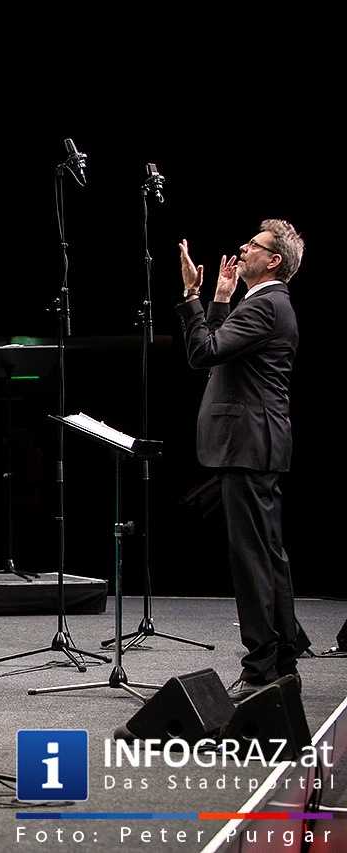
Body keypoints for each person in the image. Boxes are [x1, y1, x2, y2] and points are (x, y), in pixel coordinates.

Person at [177, 220, 303, 701]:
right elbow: (222, 351)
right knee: (267, 554)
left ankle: (261, 668)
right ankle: (281, 657)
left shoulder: (267, 305)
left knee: (252, 558)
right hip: (258, 443)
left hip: (249, 445)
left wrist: (192, 295)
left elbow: (203, 352)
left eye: (255, 245)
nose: (243, 248)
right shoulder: (267, 304)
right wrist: (223, 297)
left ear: (274, 260)